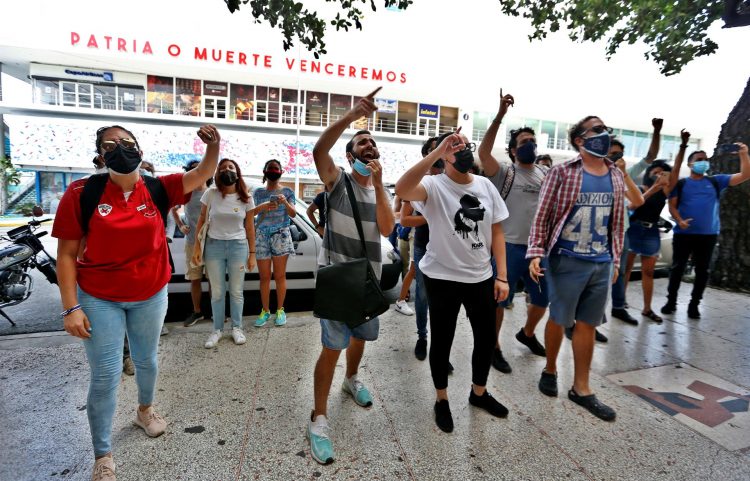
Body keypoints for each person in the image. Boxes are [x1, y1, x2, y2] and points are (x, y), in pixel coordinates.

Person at [53, 124, 220, 480]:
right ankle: (103, 454)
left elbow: (204, 172)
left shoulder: (159, 187)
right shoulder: (82, 192)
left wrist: (214, 145)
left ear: (140, 151)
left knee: (147, 361)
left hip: (150, 293)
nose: (120, 148)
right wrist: (71, 307)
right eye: (111, 144)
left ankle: (145, 410)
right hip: (99, 297)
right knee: (105, 375)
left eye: (127, 143)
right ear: (100, 155)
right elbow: (66, 255)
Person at [397, 127, 511, 433]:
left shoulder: (486, 185)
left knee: (486, 339)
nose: (459, 148)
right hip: (442, 277)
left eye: (461, 142)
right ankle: (441, 399)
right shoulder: (433, 185)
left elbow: (497, 231)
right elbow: (402, 189)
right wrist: (437, 152)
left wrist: (502, 275)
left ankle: (479, 393)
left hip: (481, 277)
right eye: (451, 145)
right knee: (443, 339)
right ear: (441, 156)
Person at [308, 87, 395, 465]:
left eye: (373, 142)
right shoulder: (338, 182)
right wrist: (350, 118)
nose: (369, 146)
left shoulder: (379, 189)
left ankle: (351, 379)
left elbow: (389, 229)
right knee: (332, 346)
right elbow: (318, 152)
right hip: (338, 280)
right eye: (362, 142)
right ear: (350, 154)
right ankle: (319, 418)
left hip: (368, 282)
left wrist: (379, 187)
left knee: (361, 335)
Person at [528, 116, 625, 421]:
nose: (604, 134)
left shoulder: (616, 174)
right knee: (559, 317)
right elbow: (542, 214)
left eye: (604, 129)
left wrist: (616, 259)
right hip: (566, 260)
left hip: (601, 261)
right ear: (580, 140)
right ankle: (550, 368)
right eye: (597, 130)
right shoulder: (562, 172)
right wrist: (535, 253)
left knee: (588, 324)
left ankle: (581, 388)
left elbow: (618, 221)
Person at [478, 91, 549, 374]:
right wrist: (499, 116)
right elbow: (483, 153)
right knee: (499, 301)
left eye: (532, 141)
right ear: (512, 150)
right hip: (506, 247)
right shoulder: (504, 172)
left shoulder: (545, 174)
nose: (530, 145)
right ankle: (493, 346)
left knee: (543, 298)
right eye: (524, 142)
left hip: (536, 251)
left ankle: (528, 334)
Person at [661, 141, 750, 319]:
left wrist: (743, 154)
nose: (704, 162)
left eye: (706, 160)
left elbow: (745, 175)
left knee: (703, 271)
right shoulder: (681, 184)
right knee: (677, 269)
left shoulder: (716, 181)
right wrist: (679, 220)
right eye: (699, 159)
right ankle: (671, 302)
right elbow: (672, 206)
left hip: (708, 235)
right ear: (690, 164)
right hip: (684, 234)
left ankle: (694, 305)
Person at [193, 158, 256, 349]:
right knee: (218, 292)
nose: (227, 170)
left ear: (237, 172)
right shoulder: (211, 194)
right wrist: (197, 246)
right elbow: (202, 219)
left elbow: (250, 227)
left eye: (230, 167)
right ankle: (217, 330)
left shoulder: (246, 196)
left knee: (236, 291)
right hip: (214, 246)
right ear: (217, 174)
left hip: (238, 246)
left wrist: (252, 253)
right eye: (222, 168)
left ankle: (237, 328)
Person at [623, 123, 683, 323]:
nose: (657, 174)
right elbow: (633, 206)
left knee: (648, 272)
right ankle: (619, 303)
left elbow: (675, 172)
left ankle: (647, 308)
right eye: (654, 171)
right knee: (626, 269)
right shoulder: (638, 188)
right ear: (649, 172)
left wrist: (682, 146)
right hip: (633, 229)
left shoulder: (665, 190)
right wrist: (653, 188)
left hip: (651, 233)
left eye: (661, 172)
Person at [399, 136, 442, 359]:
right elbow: (405, 220)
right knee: (423, 297)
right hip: (424, 247)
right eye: (435, 151)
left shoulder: (453, 179)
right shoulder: (420, 181)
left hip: (448, 250)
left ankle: (440, 346)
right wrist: (429, 217)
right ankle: (422, 337)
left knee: (443, 301)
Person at [252, 159, 297, 327]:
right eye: (270, 168)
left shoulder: (287, 191)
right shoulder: (257, 193)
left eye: (276, 168)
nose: (273, 171)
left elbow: (293, 214)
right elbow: (250, 213)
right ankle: (265, 310)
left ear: (281, 171)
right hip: (262, 235)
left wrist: (284, 201)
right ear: (265, 171)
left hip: (281, 234)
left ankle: (280, 309)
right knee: (264, 277)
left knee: (279, 276)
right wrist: (264, 206)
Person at [174, 160, 211, 327]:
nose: (197, 172)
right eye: (193, 169)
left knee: (214, 280)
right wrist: (181, 225)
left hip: (212, 243)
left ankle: (216, 311)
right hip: (191, 243)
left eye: (200, 169)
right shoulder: (186, 192)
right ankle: (197, 312)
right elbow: (173, 209)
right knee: (194, 279)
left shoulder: (212, 192)